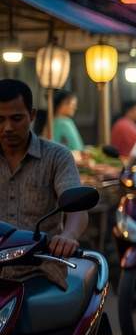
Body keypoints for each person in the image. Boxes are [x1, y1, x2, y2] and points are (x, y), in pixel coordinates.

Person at [0, 79, 85, 256]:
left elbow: (78, 209)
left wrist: (68, 236)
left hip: (43, 267)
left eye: (16, 118)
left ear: (32, 115)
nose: (7, 128)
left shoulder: (57, 156)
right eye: (0, 119)